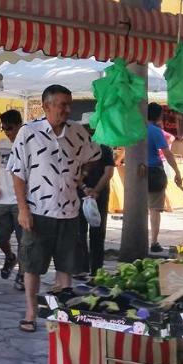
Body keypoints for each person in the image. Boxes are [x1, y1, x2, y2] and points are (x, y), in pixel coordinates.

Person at [10, 85, 100, 333]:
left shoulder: (78, 132)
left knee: (66, 266)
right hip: (38, 211)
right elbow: (18, 173)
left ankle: (61, 313)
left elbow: (93, 156)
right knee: (32, 266)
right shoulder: (29, 132)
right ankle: (30, 313)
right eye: (62, 105)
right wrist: (22, 209)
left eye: (69, 104)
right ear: (46, 106)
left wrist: (81, 177)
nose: (67, 109)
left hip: (70, 211)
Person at [78, 115, 115, 277]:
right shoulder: (79, 149)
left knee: (96, 233)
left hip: (96, 195)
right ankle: (84, 267)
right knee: (80, 232)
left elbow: (108, 173)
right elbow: (75, 173)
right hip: (83, 194)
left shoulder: (105, 149)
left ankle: (95, 269)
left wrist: (95, 191)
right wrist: (87, 188)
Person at [0, 109, 23, 285]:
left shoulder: (27, 143)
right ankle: (10, 257)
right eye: (4, 128)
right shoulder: (0, 144)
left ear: (19, 125)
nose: (7, 132)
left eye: (10, 128)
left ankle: (23, 274)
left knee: (23, 239)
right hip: (2, 198)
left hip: (21, 200)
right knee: (1, 236)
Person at [145, 103, 183, 254]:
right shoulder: (156, 131)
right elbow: (167, 153)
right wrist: (177, 171)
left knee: (141, 207)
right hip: (154, 171)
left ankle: (140, 237)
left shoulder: (136, 129)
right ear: (159, 116)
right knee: (154, 209)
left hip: (137, 172)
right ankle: (154, 241)